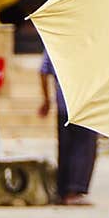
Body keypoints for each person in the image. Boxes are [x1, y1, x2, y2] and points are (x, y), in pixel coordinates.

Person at [38, 48, 98, 206]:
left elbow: (43, 71)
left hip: (64, 104)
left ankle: (63, 191)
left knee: (66, 148)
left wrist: (47, 99)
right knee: (83, 148)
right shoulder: (88, 41)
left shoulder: (55, 40)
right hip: (84, 103)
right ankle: (73, 191)